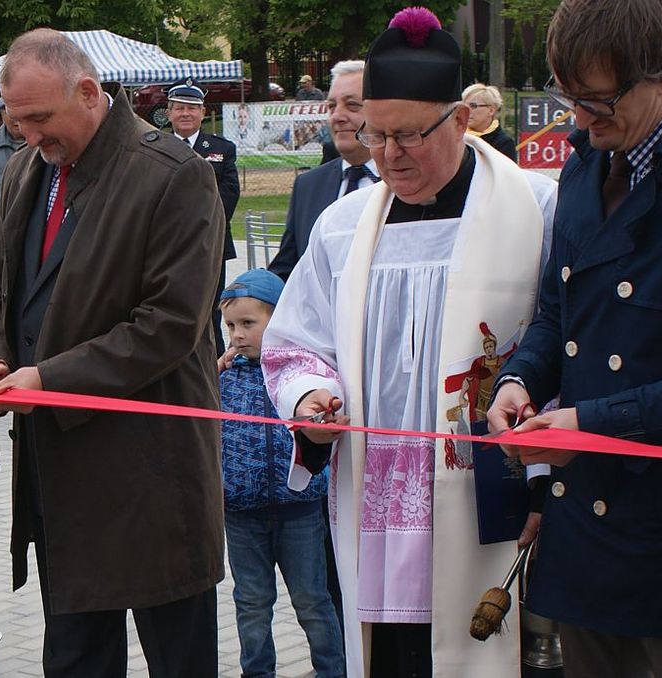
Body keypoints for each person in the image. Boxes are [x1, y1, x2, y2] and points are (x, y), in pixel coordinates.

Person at [260, 8, 557, 677]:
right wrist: (313, 400)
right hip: (374, 499)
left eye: (408, 136)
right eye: (377, 134)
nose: (388, 155)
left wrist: (542, 477)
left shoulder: (534, 208)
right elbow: (296, 341)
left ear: (459, 119)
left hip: (492, 499)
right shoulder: (343, 225)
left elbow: (559, 337)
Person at [0, 28, 225, 677]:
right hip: (59, 479)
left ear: (88, 92)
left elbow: (170, 324)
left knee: (179, 658)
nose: (29, 135)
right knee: (76, 661)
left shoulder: (174, 175)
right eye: (17, 121)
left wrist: (49, 379)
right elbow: (0, 285)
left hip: (150, 479)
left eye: (40, 118)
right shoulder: (28, 170)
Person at [487, 1, 662, 675]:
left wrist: (590, 424)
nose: (577, 119)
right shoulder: (582, 167)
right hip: (585, 539)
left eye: (599, 102)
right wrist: (519, 381)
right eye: (567, 97)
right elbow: (557, 313)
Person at [217, 268, 345, 678]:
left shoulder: (301, 377)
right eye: (231, 325)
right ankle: (257, 673)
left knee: (312, 601)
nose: (237, 334)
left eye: (249, 323)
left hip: (300, 511)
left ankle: (334, 670)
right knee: (252, 604)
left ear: (281, 319)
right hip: (240, 514)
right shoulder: (220, 378)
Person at [270, 60, 377, 280]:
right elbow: (288, 271)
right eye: (331, 106)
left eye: (353, 105)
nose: (337, 116)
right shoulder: (308, 185)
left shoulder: (405, 182)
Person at [167, 78, 240, 355]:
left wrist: (200, 225)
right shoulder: (157, 146)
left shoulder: (221, 148)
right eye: (179, 108)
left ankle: (214, 367)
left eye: (192, 108)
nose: (186, 113)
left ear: (203, 113)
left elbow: (229, 193)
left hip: (211, 244)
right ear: (170, 112)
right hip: (168, 244)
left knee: (210, 311)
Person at [462, 83, 517, 161]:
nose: (466, 111)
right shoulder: (457, 137)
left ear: (491, 110)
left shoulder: (504, 143)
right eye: (464, 106)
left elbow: (507, 173)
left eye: (473, 106)